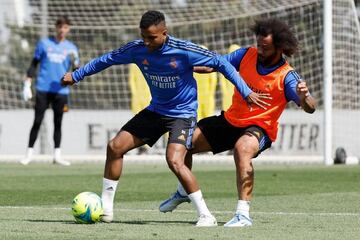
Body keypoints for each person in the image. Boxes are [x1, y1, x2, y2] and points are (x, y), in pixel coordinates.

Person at [61, 10, 269, 226]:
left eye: (151, 37)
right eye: (143, 36)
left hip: (183, 114)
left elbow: (221, 63)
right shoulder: (137, 49)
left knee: (174, 160)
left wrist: (245, 91)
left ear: (164, 33)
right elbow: (107, 59)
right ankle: (106, 209)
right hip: (157, 110)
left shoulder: (184, 50)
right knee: (115, 147)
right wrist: (77, 75)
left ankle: (206, 215)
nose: (147, 42)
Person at [159, 18, 316, 227]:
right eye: (259, 44)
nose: (259, 50)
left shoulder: (286, 76)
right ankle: (183, 190)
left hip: (260, 128)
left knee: (242, 149)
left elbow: (311, 107)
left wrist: (304, 97)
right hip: (231, 120)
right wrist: (183, 64)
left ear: (280, 47)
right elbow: (214, 65)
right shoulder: (246, 55)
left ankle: (243, 214)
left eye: (265, 47)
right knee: (183, 143)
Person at [20, 16, 80, 166]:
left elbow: (76, 72)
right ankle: (28, 154)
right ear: (56, 28)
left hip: (61, 91)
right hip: (43, 89)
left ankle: (57, 155)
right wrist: (27, 84)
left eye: (65, 27)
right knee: (37, 121)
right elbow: (34, 64)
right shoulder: (44, 44)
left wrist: (76, 64)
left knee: (58, 123)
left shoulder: (72, 48)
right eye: (60, 27)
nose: (62, 30)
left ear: (68, 29)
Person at [193, 45, 218, 120]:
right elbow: (213, 80)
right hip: (207, 95)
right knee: (208, 118)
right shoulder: (210, 64)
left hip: (196, 96)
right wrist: (211, 92)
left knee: (197, 117)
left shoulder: (193, 65)